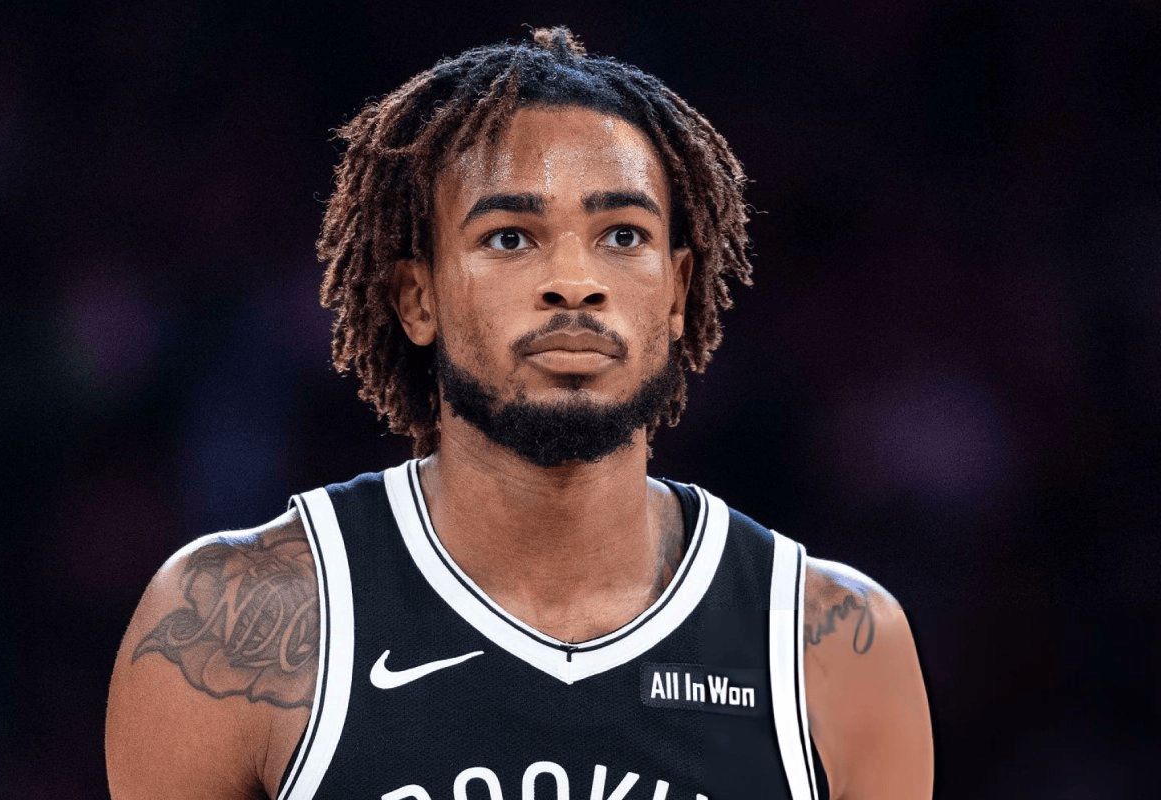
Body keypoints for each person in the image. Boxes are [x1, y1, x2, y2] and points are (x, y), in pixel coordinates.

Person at [106, 27, 932, 800]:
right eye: (509, 237)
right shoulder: (235, 624)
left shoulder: (837, 647)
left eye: (622, 235)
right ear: (417, 298)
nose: (574, 283)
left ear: (679, 292)